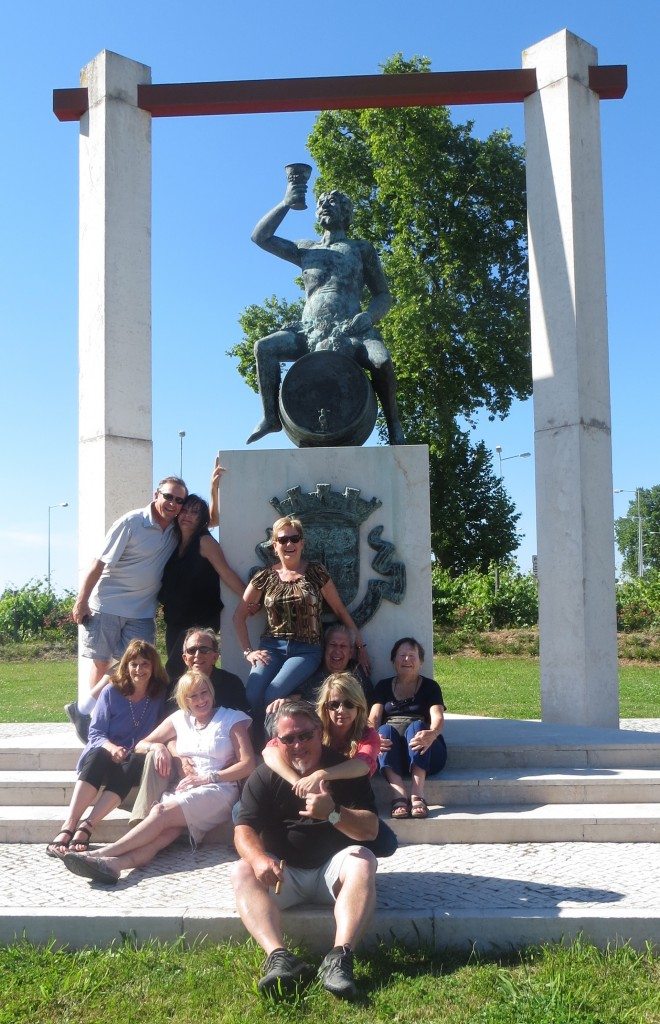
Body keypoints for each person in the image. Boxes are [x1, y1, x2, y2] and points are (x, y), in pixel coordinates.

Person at [232, 700, 379, 999]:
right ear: (278, 742)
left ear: (319, 731)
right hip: (283, 875)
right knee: (241, 869)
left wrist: (333, 812)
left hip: (331, 872)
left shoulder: (342, 771)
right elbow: (243, 828)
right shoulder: (265, 775)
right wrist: (259, 859)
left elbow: (370, 829)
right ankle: (279, 958)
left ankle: (339, 958)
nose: (298, 745)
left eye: (305, 736)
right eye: (288, 739)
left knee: (363, 860)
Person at [59, 670, 255, 885]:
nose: (201, 700)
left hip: (219, 789)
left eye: (204, 692)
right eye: (193, 696)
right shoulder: (180, 719)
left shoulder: (231, 719)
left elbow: (247, 764)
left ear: (212, 692)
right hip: (187, 789)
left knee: (160, 811)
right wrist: (160, 746)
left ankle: (99, 854)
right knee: (162, 837)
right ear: (185, 700)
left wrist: (209, 777)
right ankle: (113, 866)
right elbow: (142, 744)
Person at [246, 185, 404, 446]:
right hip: (309, 329)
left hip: (352, 329)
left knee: (382, 361)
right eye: (321, 204)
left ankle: (394, 424)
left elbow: (383, 295)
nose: (324, 207)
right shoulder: (305, 249)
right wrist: (286, 203)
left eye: (332, 203)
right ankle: (270, 417)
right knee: (263, 347)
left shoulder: (360, 249)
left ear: (346, 213)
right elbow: (260, 237)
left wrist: (369, 316)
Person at [66, 475, 188, 741]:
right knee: (101, 663)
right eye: (168, 496)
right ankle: (97, 720)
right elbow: (98, 563)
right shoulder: (132, 522)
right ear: (156, 494)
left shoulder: (176, 528)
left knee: (133, 665)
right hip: (107, 604)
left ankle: (82, 708)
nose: (173, 504)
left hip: (142, 611)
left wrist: (214, 488)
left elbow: (209, 520)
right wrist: (81, 600)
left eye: (179, 500)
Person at [233, 516, 369, 741]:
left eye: (294, 538)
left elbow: (340, 610)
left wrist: (360, 645)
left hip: (306, 649)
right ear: (274, 545)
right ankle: (254, 743)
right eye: (282, 539)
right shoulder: (264, 577)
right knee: (252, 694)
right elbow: (239, 616)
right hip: (271, 646)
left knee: (273, 693)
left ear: (302, 543)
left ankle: (271, 745)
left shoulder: (316, 572)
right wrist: (248, 652)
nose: (289, 544)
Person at [46, 640, 168, 857]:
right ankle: (69, 825)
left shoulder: (158, 695)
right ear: (126, 666)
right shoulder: (112, 691)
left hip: (133, 756)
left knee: (135, 762)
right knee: (98, 756)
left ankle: (87, 826)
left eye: (144, 664)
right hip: (105, 751)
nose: (139, 670)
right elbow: (96, 733)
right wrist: (113, 749)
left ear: (153, 666)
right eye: (134, 664)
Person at [263, 672, 397, 859]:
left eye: (349, 704)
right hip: (301, 798)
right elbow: (269, 752)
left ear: (359, 706)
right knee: (242, 812)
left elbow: (362, 765)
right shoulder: (311, 728)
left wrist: (319, 775)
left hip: (339, 808)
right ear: (325, 707)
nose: (341, 710)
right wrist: (299, 782)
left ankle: (343, 856)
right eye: (334, 704)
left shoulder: (368, 735)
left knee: (385, 842)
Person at [127, 626, 250, 826]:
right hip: (180, 760)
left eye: (204, 649)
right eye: (191, 651)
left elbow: (243, 730)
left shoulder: (231, 684)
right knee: (154, 754)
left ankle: (153, 825)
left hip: (215, 765)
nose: (197, 655)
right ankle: (140, 820)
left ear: (215, 655)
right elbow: (168, 731)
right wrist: (176, 755)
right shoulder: (177, 687)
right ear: (184, 657)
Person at [158, 492, 245, 681]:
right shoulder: (174, 541)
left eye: (194, 513)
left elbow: (226, 572)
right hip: (175, 620)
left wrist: (249, 599)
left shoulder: (205, 542)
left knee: (178, 671)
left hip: (200, 620)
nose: (187, 515)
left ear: (201, 520)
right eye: (185, 510)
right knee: (181, 675)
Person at [369, 637, 447, 820]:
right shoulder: (382, 686)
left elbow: (438, 716)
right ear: (393, 660)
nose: (407, 660)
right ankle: (399, 795)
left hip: (427, 753)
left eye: (412, 656)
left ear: (421, 661)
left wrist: (432, 733)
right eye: (402, 655)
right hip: (392, 753)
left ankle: (417, 794)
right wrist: (373, 737)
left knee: (418, 727)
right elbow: (373, 717)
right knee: (383, 731)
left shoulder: (430, 687)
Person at [263, 624, 373, 734]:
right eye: (333, 645)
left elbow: (370, 703)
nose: (337, 651)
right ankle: (274, 748)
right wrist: (285, 701)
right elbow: (297, 696)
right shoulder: (312, 669)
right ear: (324, 648)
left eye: (343, 646)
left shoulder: (357, 673)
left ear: (350, 652)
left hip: (343, 729)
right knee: (275, 711)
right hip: (311, 726)